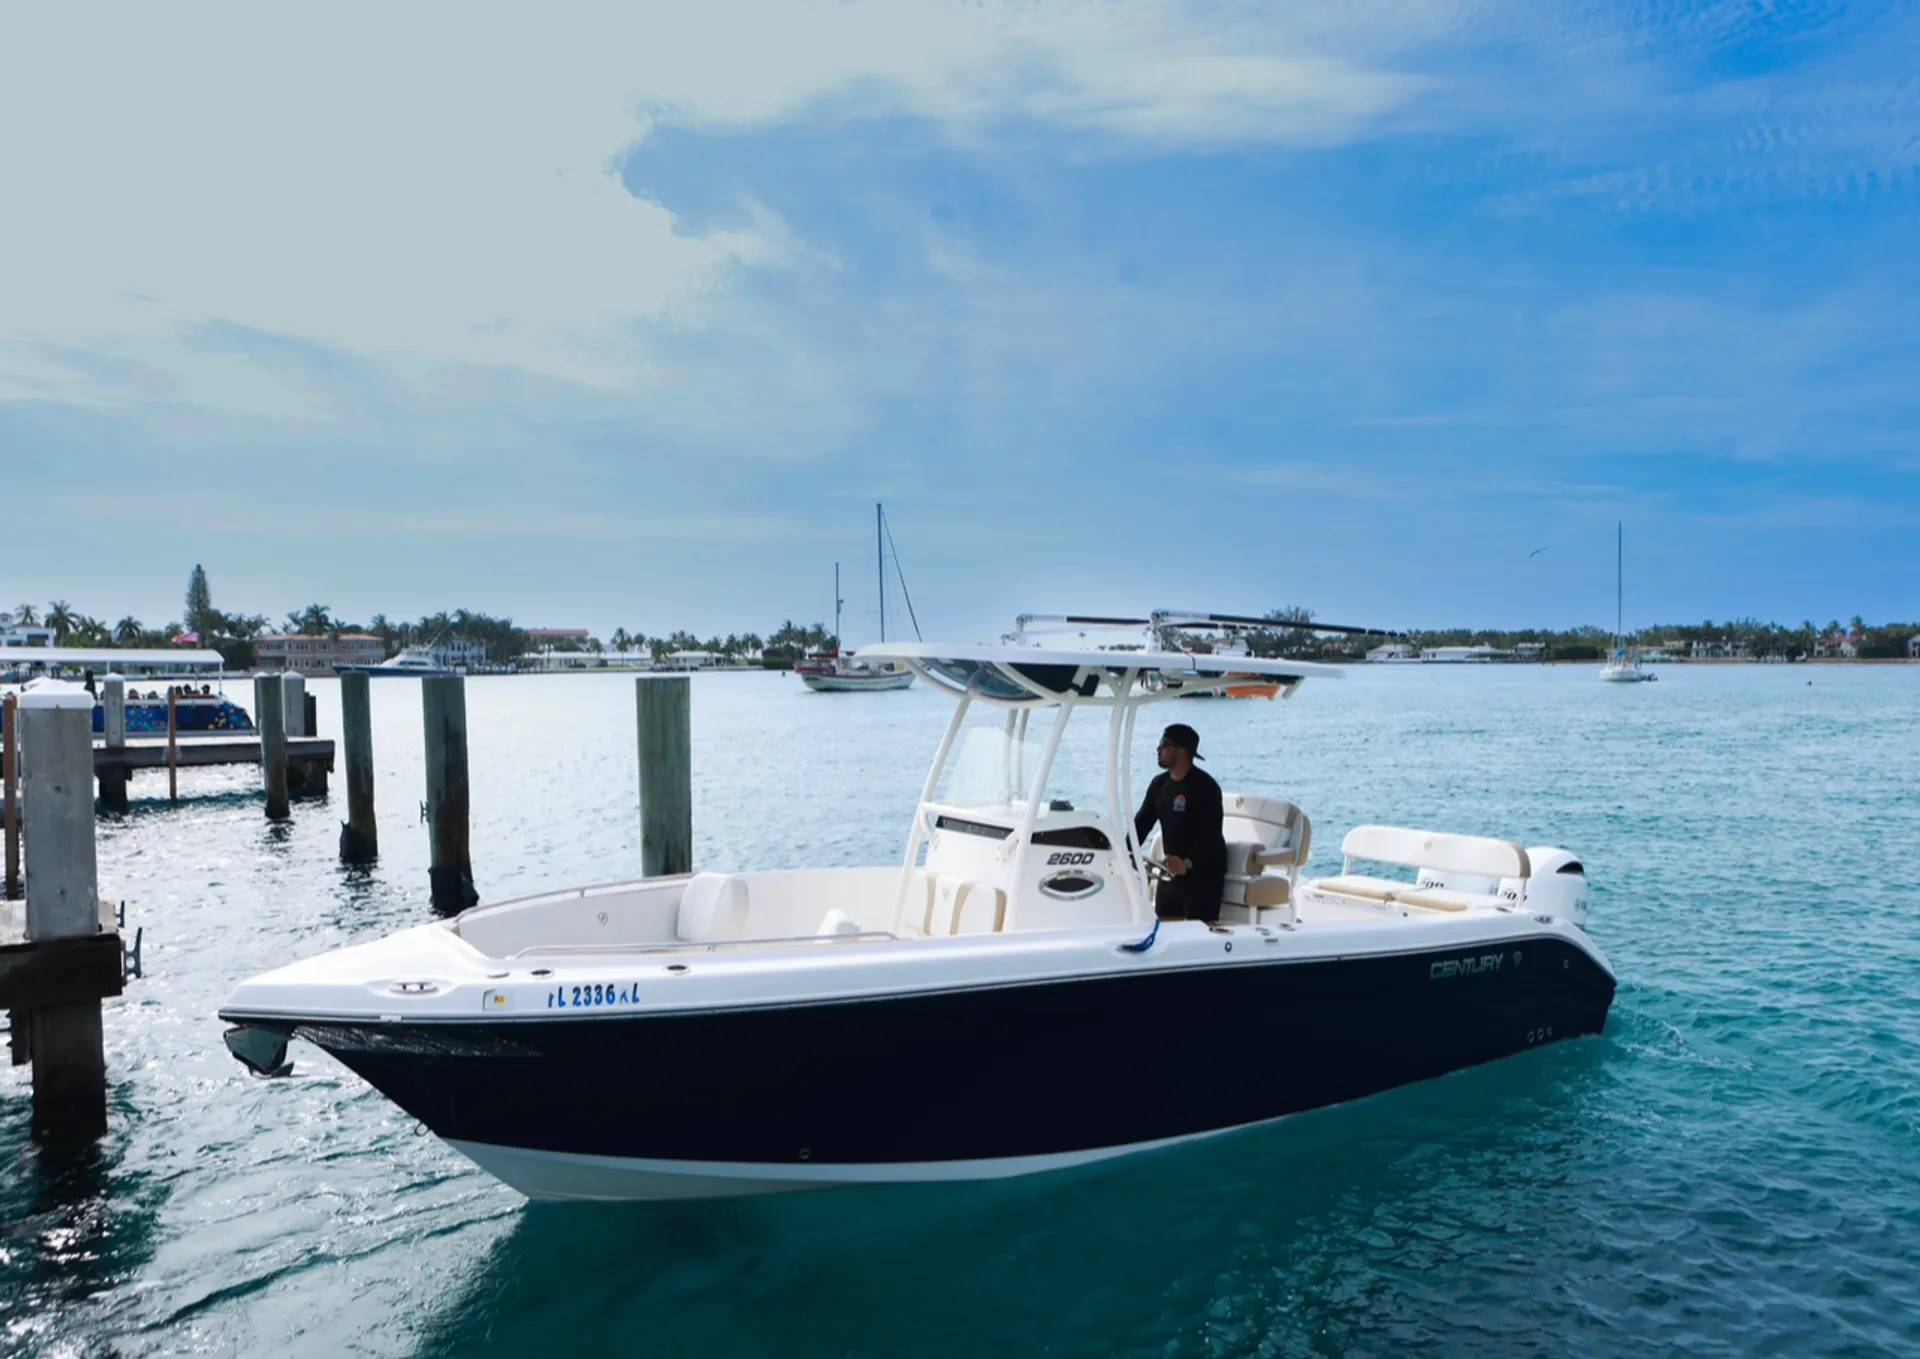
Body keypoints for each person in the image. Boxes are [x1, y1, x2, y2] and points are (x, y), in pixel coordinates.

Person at [1133, 722, 1226, 922]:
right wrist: (1122, 853)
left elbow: (1212, 837)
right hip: (1171, 874)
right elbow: (1140, 825)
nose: (1158, 749)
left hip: (1202, 876)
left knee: (1198, 940)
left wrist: (1188, 863)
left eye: (1164, 744)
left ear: (1183, 751)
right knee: (1167, 937)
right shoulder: (1159, 785)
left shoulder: (1206, 788)